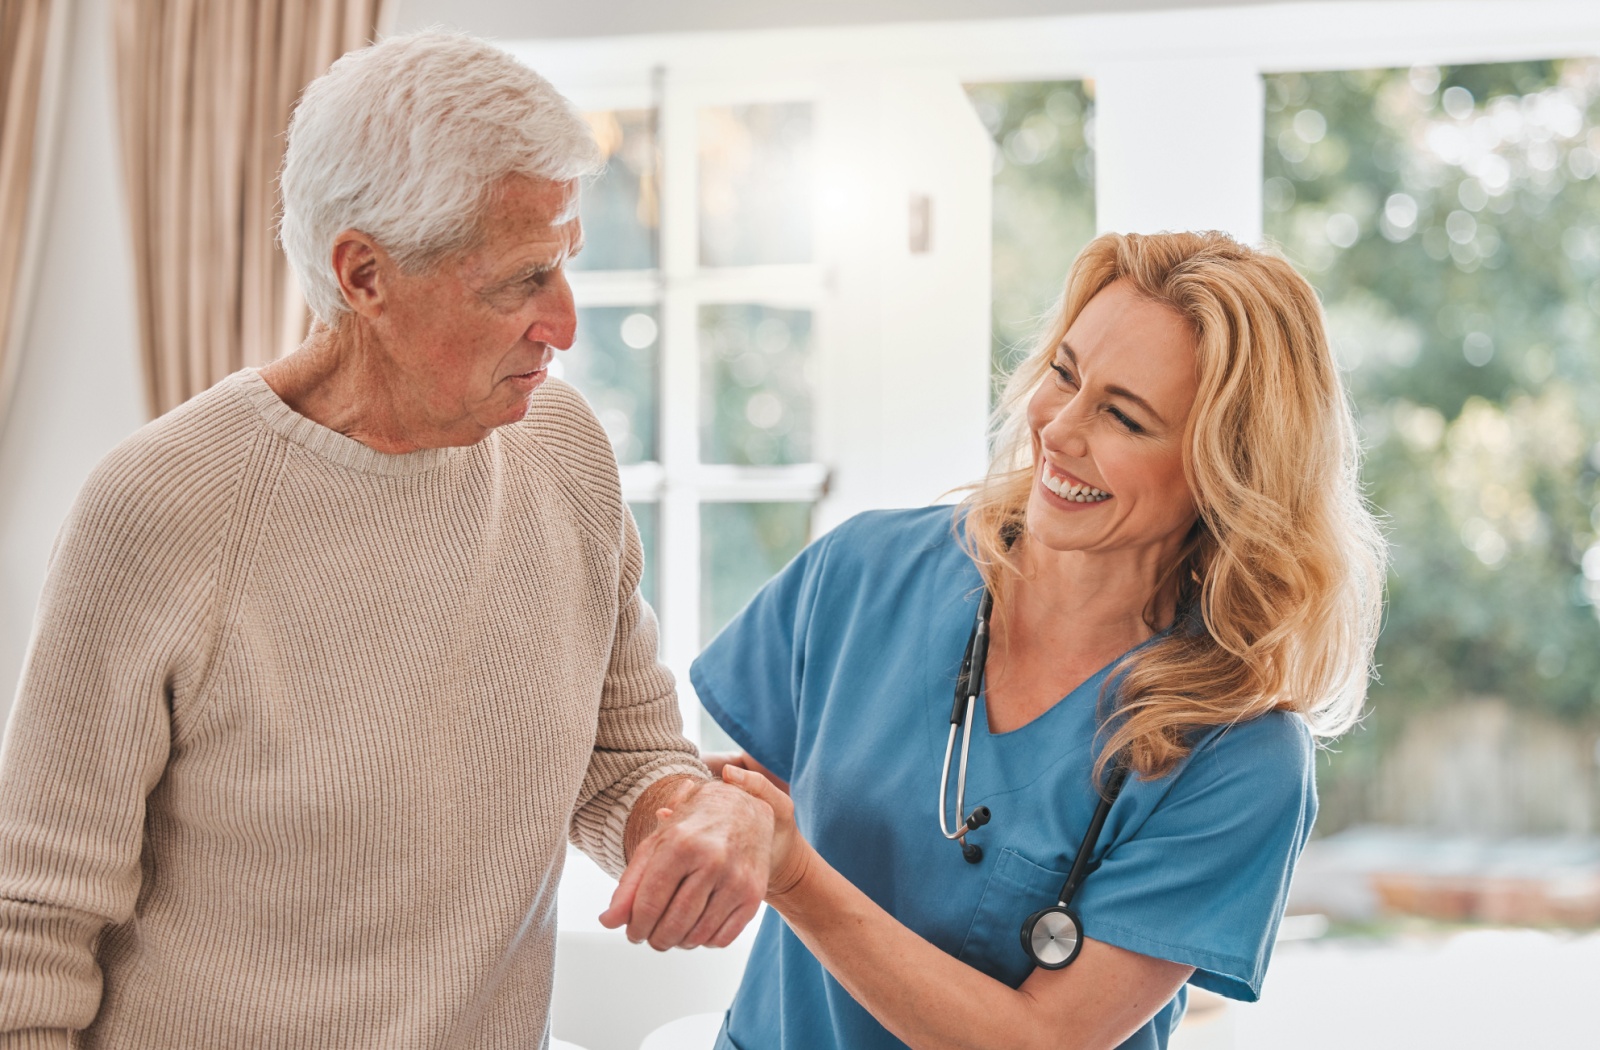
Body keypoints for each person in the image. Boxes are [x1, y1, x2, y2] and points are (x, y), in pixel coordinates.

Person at [0, 31, 770, 1047]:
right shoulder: (160, 508)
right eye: (520, 279)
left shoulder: (564, 452)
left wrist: (702, 814)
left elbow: (619, 753)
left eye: (565, 265)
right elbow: (32, 929)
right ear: (365, 275)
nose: (565, 322)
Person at [649, 231, 1387, 1049]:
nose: (1058, 428)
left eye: (1123, 416)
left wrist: (796, 875)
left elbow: (1044, 1042)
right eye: (1065, 375)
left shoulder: (1238, 757)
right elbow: (735, 796)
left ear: (1226, 473)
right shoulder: (863, 573)